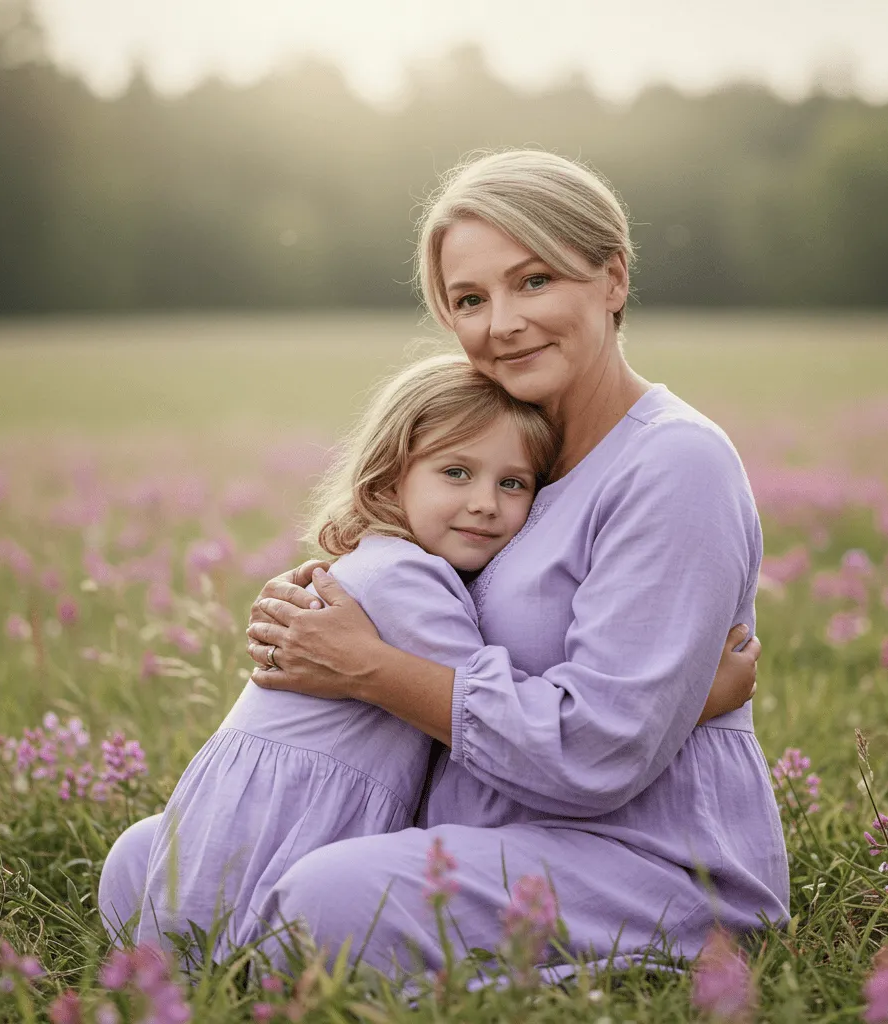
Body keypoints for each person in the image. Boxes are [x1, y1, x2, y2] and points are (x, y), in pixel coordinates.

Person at [100, 149, 786, 974]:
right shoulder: (499, 470)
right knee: (148, 860)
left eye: (534, 281)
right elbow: (423, 610)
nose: (501, 322)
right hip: (484, 838)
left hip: (642, 862)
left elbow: (596, 753)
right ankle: (251, 956)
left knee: (325, 900)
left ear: (611, 279)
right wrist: (337, 590)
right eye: (470, 299)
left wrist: (366, 668)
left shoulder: (674, 466)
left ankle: (263, 960)